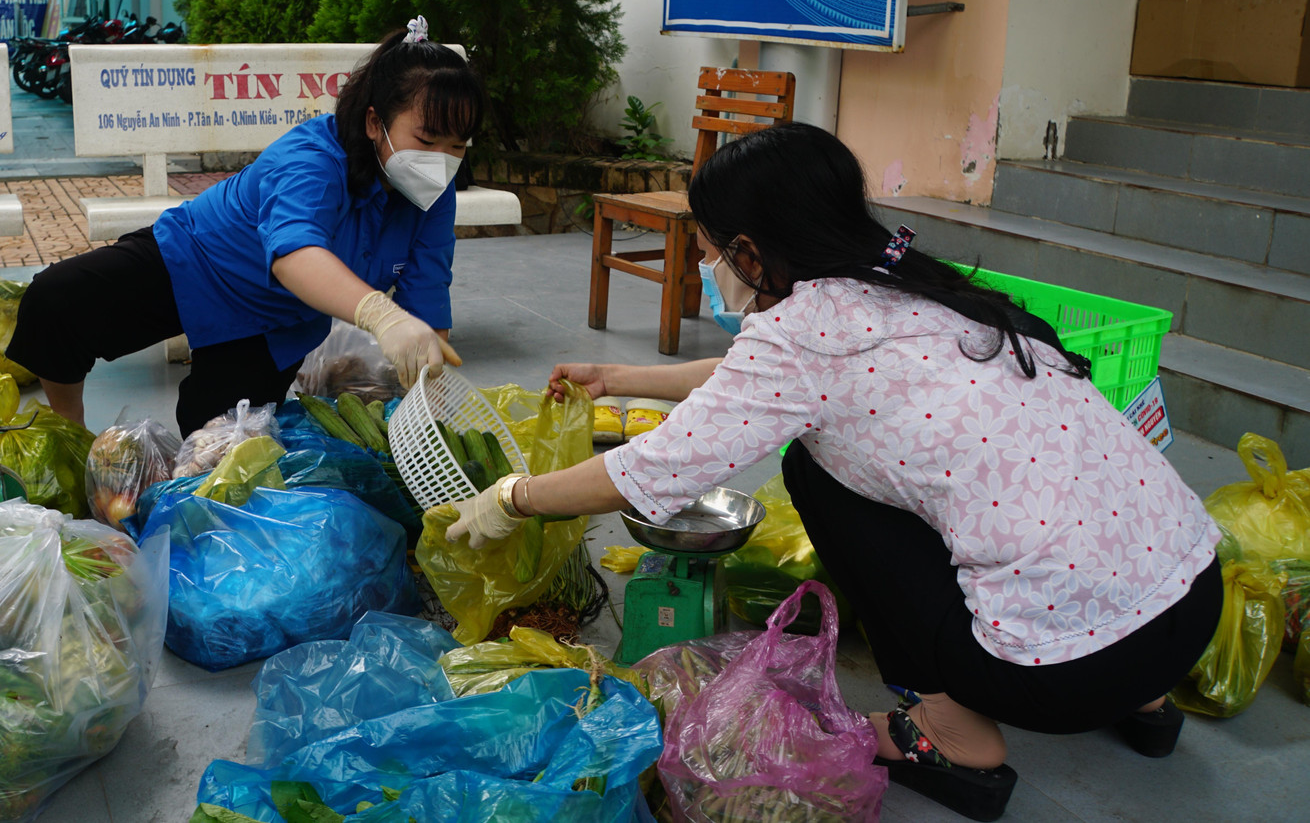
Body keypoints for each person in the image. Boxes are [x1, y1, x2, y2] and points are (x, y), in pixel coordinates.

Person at [446, 121, 1223, 821]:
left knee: (816, 470)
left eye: (713, 250)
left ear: (751, 249)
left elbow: (650, 471)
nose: (712, 264)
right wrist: (619, 377)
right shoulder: (903, 282)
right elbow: (762, 379)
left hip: (1069, 677)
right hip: (1190, 603)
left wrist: (514, 497)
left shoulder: (801, 336)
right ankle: (1145, 700)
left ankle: (950, 733)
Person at [7, 16, 482, 437]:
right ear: (375, 122)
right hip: (195, 259)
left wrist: (430, 407)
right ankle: (71, 432)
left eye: (458, 146)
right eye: (427, 139)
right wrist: (383, 315)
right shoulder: (312, 160)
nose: (441, 161)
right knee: (56, 302)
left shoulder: (431, 193)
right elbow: (296, 256)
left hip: (275, 320)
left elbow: (428, 301)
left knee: (218, 439)